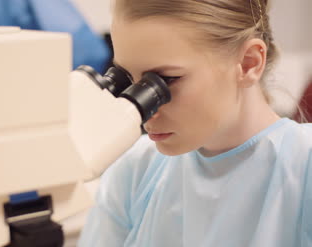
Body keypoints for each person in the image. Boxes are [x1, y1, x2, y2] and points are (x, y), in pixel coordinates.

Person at [78, 0, 312, 246]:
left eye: (165, 80)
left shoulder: (304, 167)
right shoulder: (134, 169)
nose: (143, 110)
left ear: (248, 63)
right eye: (129, 80)